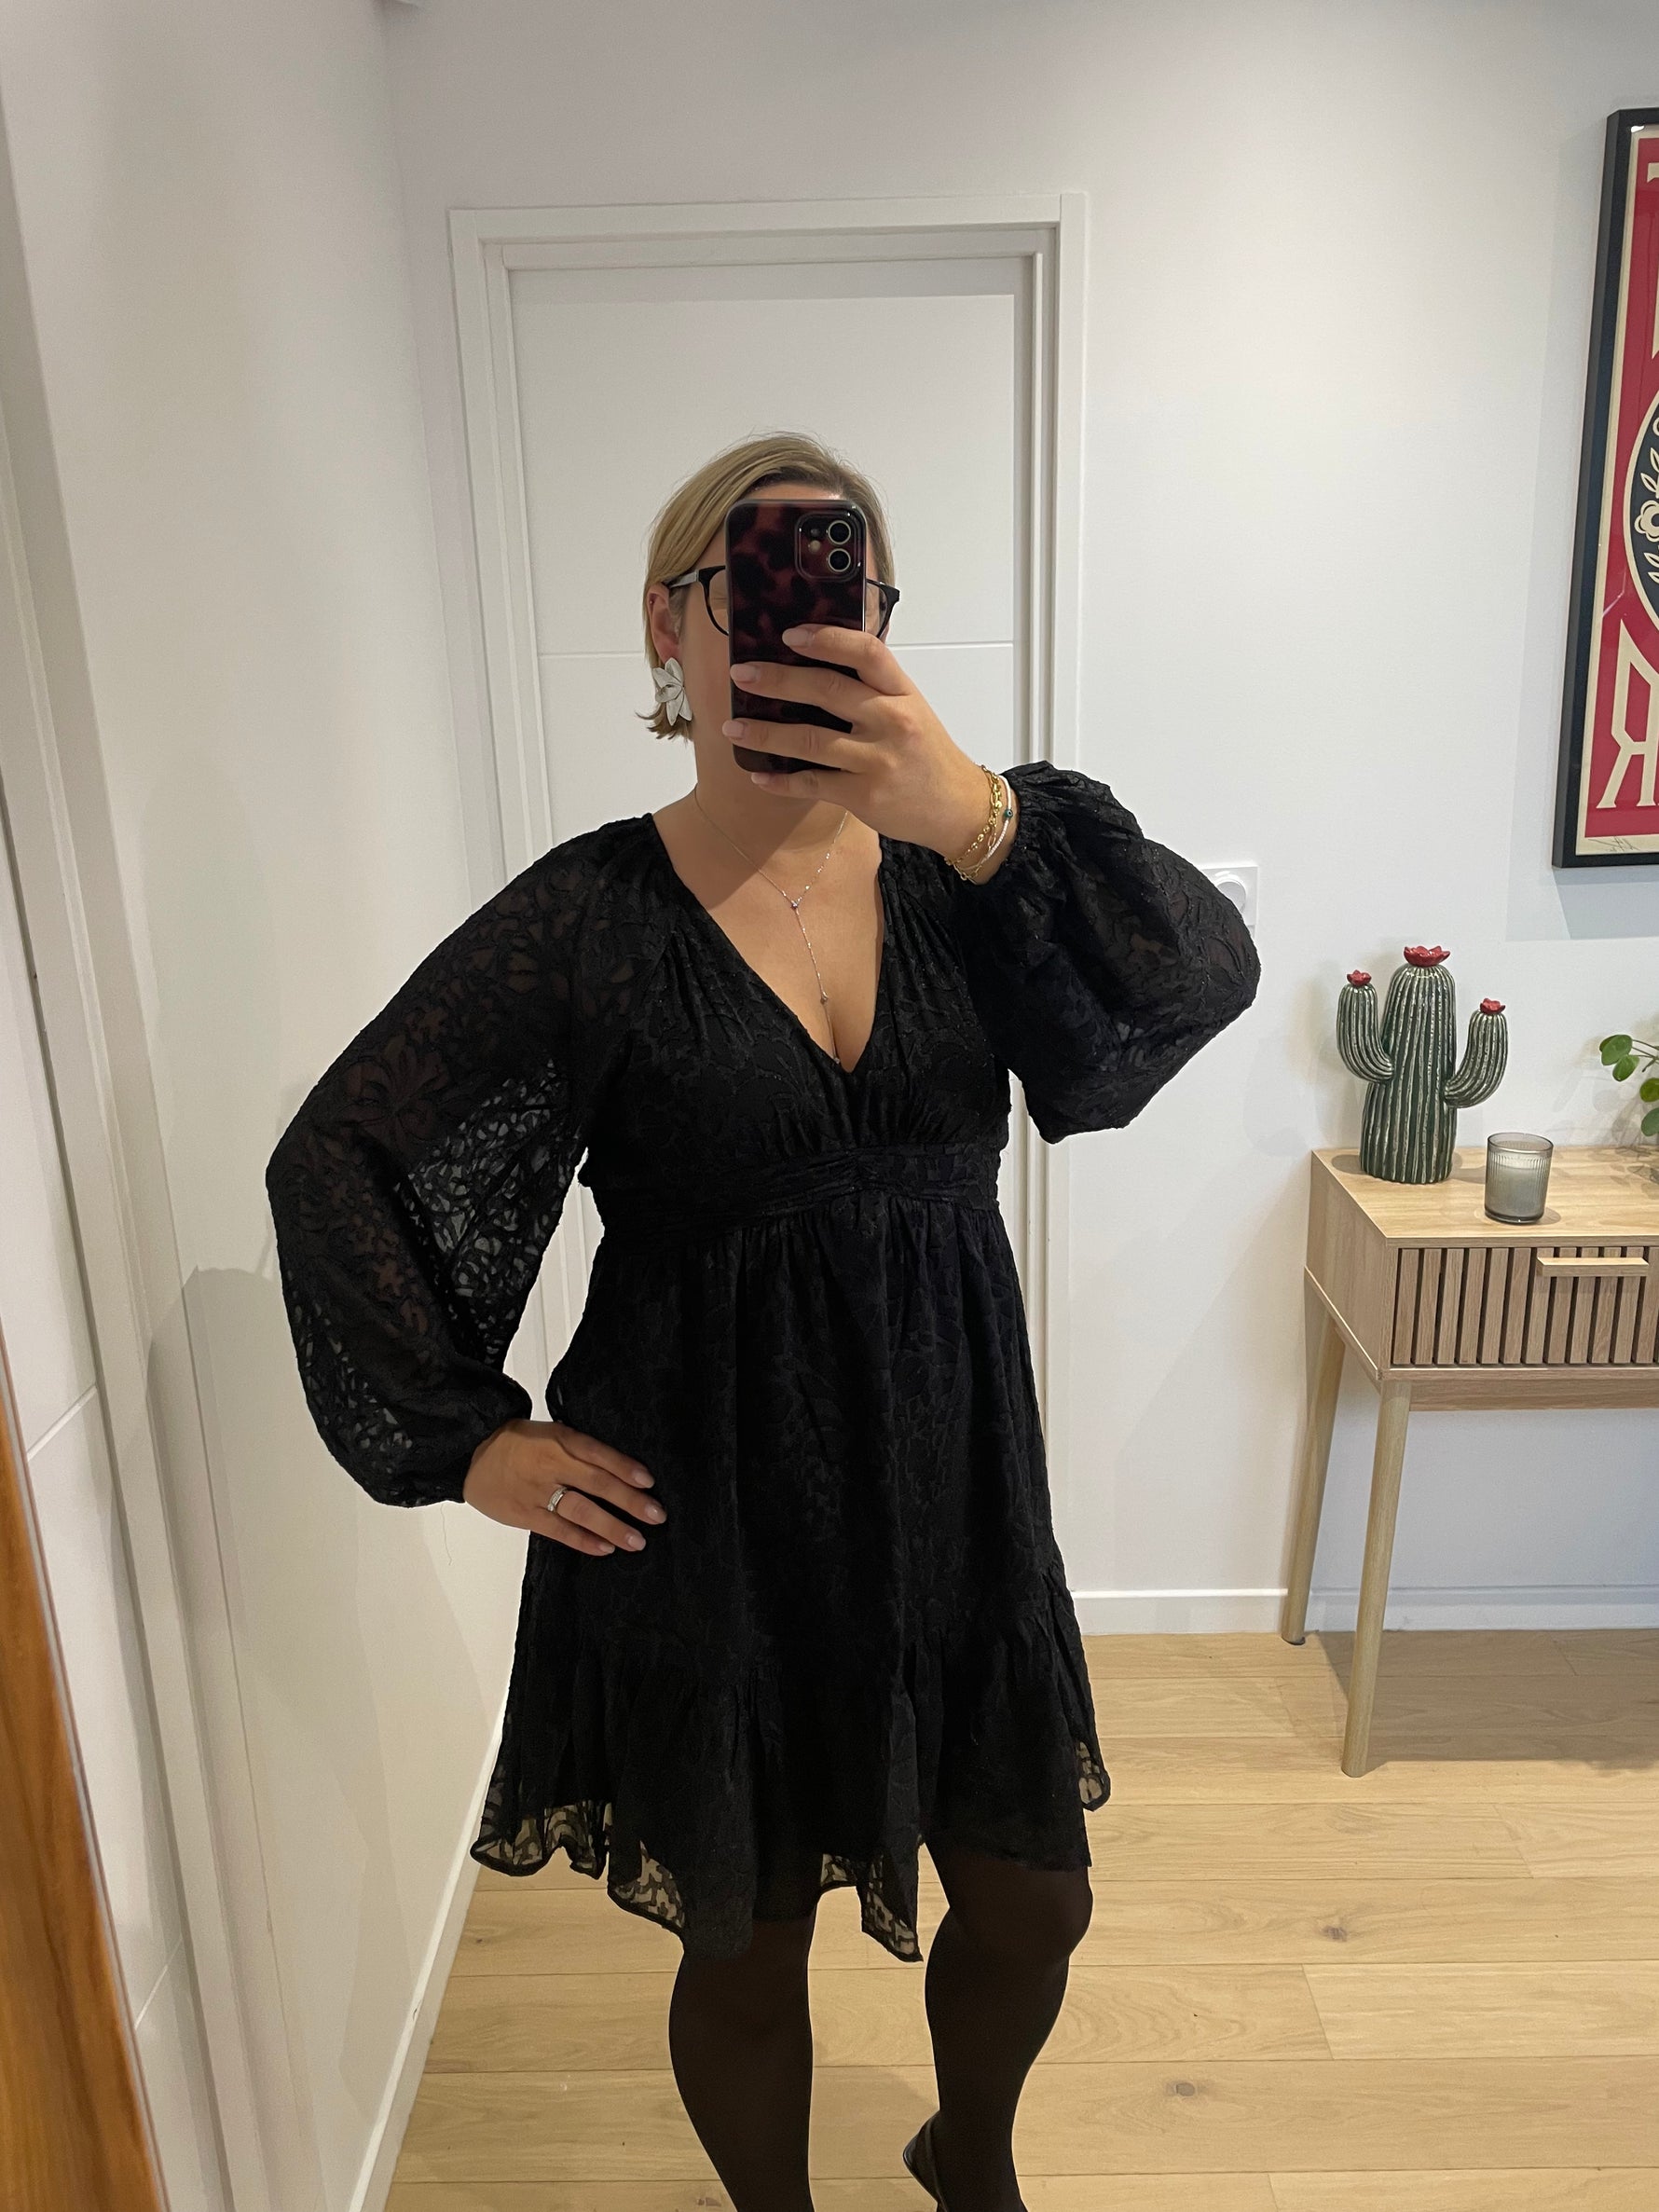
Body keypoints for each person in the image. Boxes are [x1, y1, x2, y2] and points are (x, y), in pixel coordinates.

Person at [265, 430, 1259, 2212]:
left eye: (843, 591)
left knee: (1037, 1897)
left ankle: (970, 2156)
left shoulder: (974, 867)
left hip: (953, 1490)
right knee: (745, 1938)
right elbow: (339, 1154)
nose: (801, 629)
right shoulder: (591, 915)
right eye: (754, 590)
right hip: (711, 1513)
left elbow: (1193, 979)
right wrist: (465, 1437)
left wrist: (976, 812)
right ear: (672, 622)